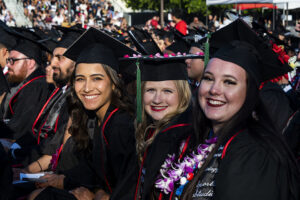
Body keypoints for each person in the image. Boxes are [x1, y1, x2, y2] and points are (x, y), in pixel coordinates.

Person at [154, 19, 300, 200]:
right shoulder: (203, 139)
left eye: (229, 82)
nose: (214, 90)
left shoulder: (254, 154)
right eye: (208, 78)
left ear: (250, 92)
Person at [30, 27, 137, 200]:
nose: (87, 88)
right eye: (80, 79)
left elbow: (129, 186)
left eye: (97, 78)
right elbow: (93, 170)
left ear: (115, 82)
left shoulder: (121, 126)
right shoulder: (96, 117)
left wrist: (97, 196)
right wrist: (63, 180)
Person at [123, 55, 198, 200]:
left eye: (167, 91)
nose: (157, 100)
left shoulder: (187, 138)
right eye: (150, 90)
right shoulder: (144, 131)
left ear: (182, 95)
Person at [0, 27, 51, 161]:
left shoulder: (37, 86)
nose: (9, 65)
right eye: (8, 60)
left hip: (24, 153)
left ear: (30, 63)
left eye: (13, 61)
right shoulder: (19, 81)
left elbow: (19, 128)